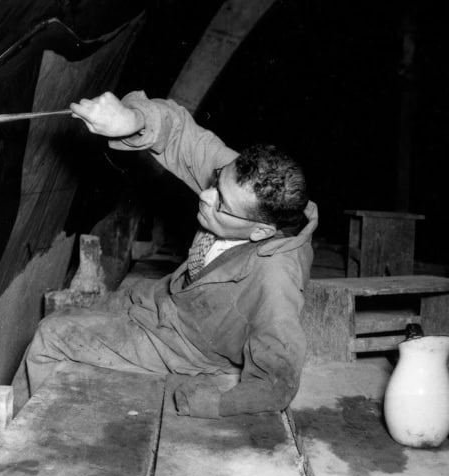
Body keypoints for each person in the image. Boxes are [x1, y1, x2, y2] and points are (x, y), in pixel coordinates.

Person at [25, 91, 318, 417]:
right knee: (77, 313)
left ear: (261, 232)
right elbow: (180, 131)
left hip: (188, 347)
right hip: (166, 300)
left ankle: (20, 448)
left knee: (50, 336)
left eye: (220, 203)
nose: (205, 196)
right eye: (216, 181)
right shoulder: (245, 187)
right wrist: (131, 120)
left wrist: (217, 404)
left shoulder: (277, 278)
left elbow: (279, 380)